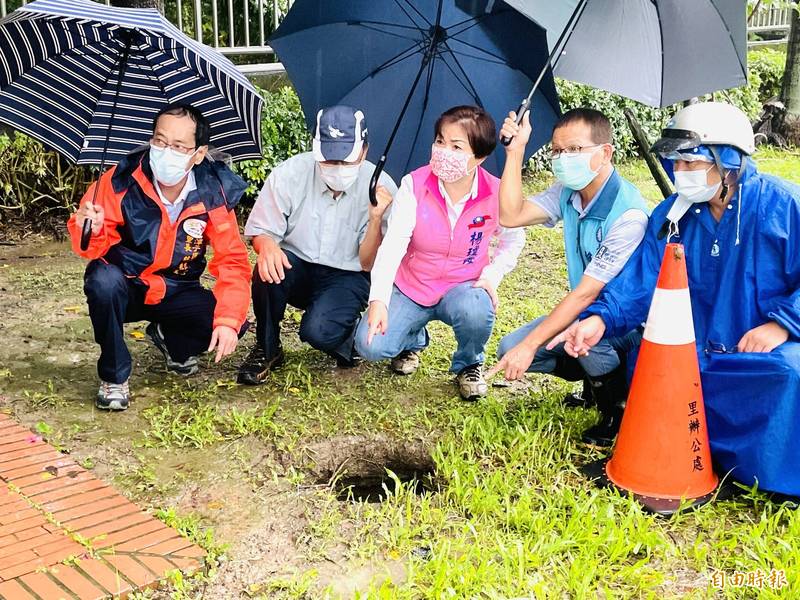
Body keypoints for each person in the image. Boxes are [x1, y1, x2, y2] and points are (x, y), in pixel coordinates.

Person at [560, 101, 800, 498]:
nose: (681, 174)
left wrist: (781, 325)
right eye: (677, 165)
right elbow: (640, 279)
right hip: (693, 351)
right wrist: (600, 319)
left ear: (729, 161)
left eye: (692, 163)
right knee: (650, 371)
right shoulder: (673, 216)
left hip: (759, 353)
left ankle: (767, 476)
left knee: (789, 375)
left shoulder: (784, 205)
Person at [68, 103, 252, 411]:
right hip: (126, 285)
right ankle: (114, 375)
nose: (166, 151)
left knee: (230, 324)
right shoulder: (121, 179)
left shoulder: (212, 193)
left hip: (177, 288)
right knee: (102, 281)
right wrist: (91, 227)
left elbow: (232, 261)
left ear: (198, 154)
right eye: (160, 141)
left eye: (179, 146)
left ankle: (170, 337)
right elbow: (89, 248)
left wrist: (228, 320)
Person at [487, 108, 649, 447]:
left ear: (605, 153)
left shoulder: (628, 215)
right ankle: (594, 382)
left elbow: (586, 296)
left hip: (629, 324)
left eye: (574, 149)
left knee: (584, 333)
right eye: (557, 151)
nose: (563, 158)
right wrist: (515, 151)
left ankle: (617, 410)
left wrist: (531, 346)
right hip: (588, 312)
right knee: (509, 346)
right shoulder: (568, 193)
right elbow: (511, 214)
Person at [355, 105, 525, 401]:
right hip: (412, 285)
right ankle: (413, 340)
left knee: (476, 309)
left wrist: (491, 276)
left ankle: (469, 363)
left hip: (463, 286)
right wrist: (379, 299)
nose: (443, 151)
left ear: (479, 157)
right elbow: (393, 243)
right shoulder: (414, 184)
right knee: (370, 346)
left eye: (456, 146)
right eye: (439, 141)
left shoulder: (496, 193)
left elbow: (514, 239)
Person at [237, 105, 397, 385]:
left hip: (349, 274)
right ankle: (267, 347)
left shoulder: (382, 187)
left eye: (345, 161)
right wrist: (267, 246)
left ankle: (348, 338)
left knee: (319, 332)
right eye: (328, 159)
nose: (336, 168)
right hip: (297, 265)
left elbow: (368, 263)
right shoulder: (291, 173)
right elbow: (260, 230)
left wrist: (374, 220)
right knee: (267, 268)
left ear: (364, 150)